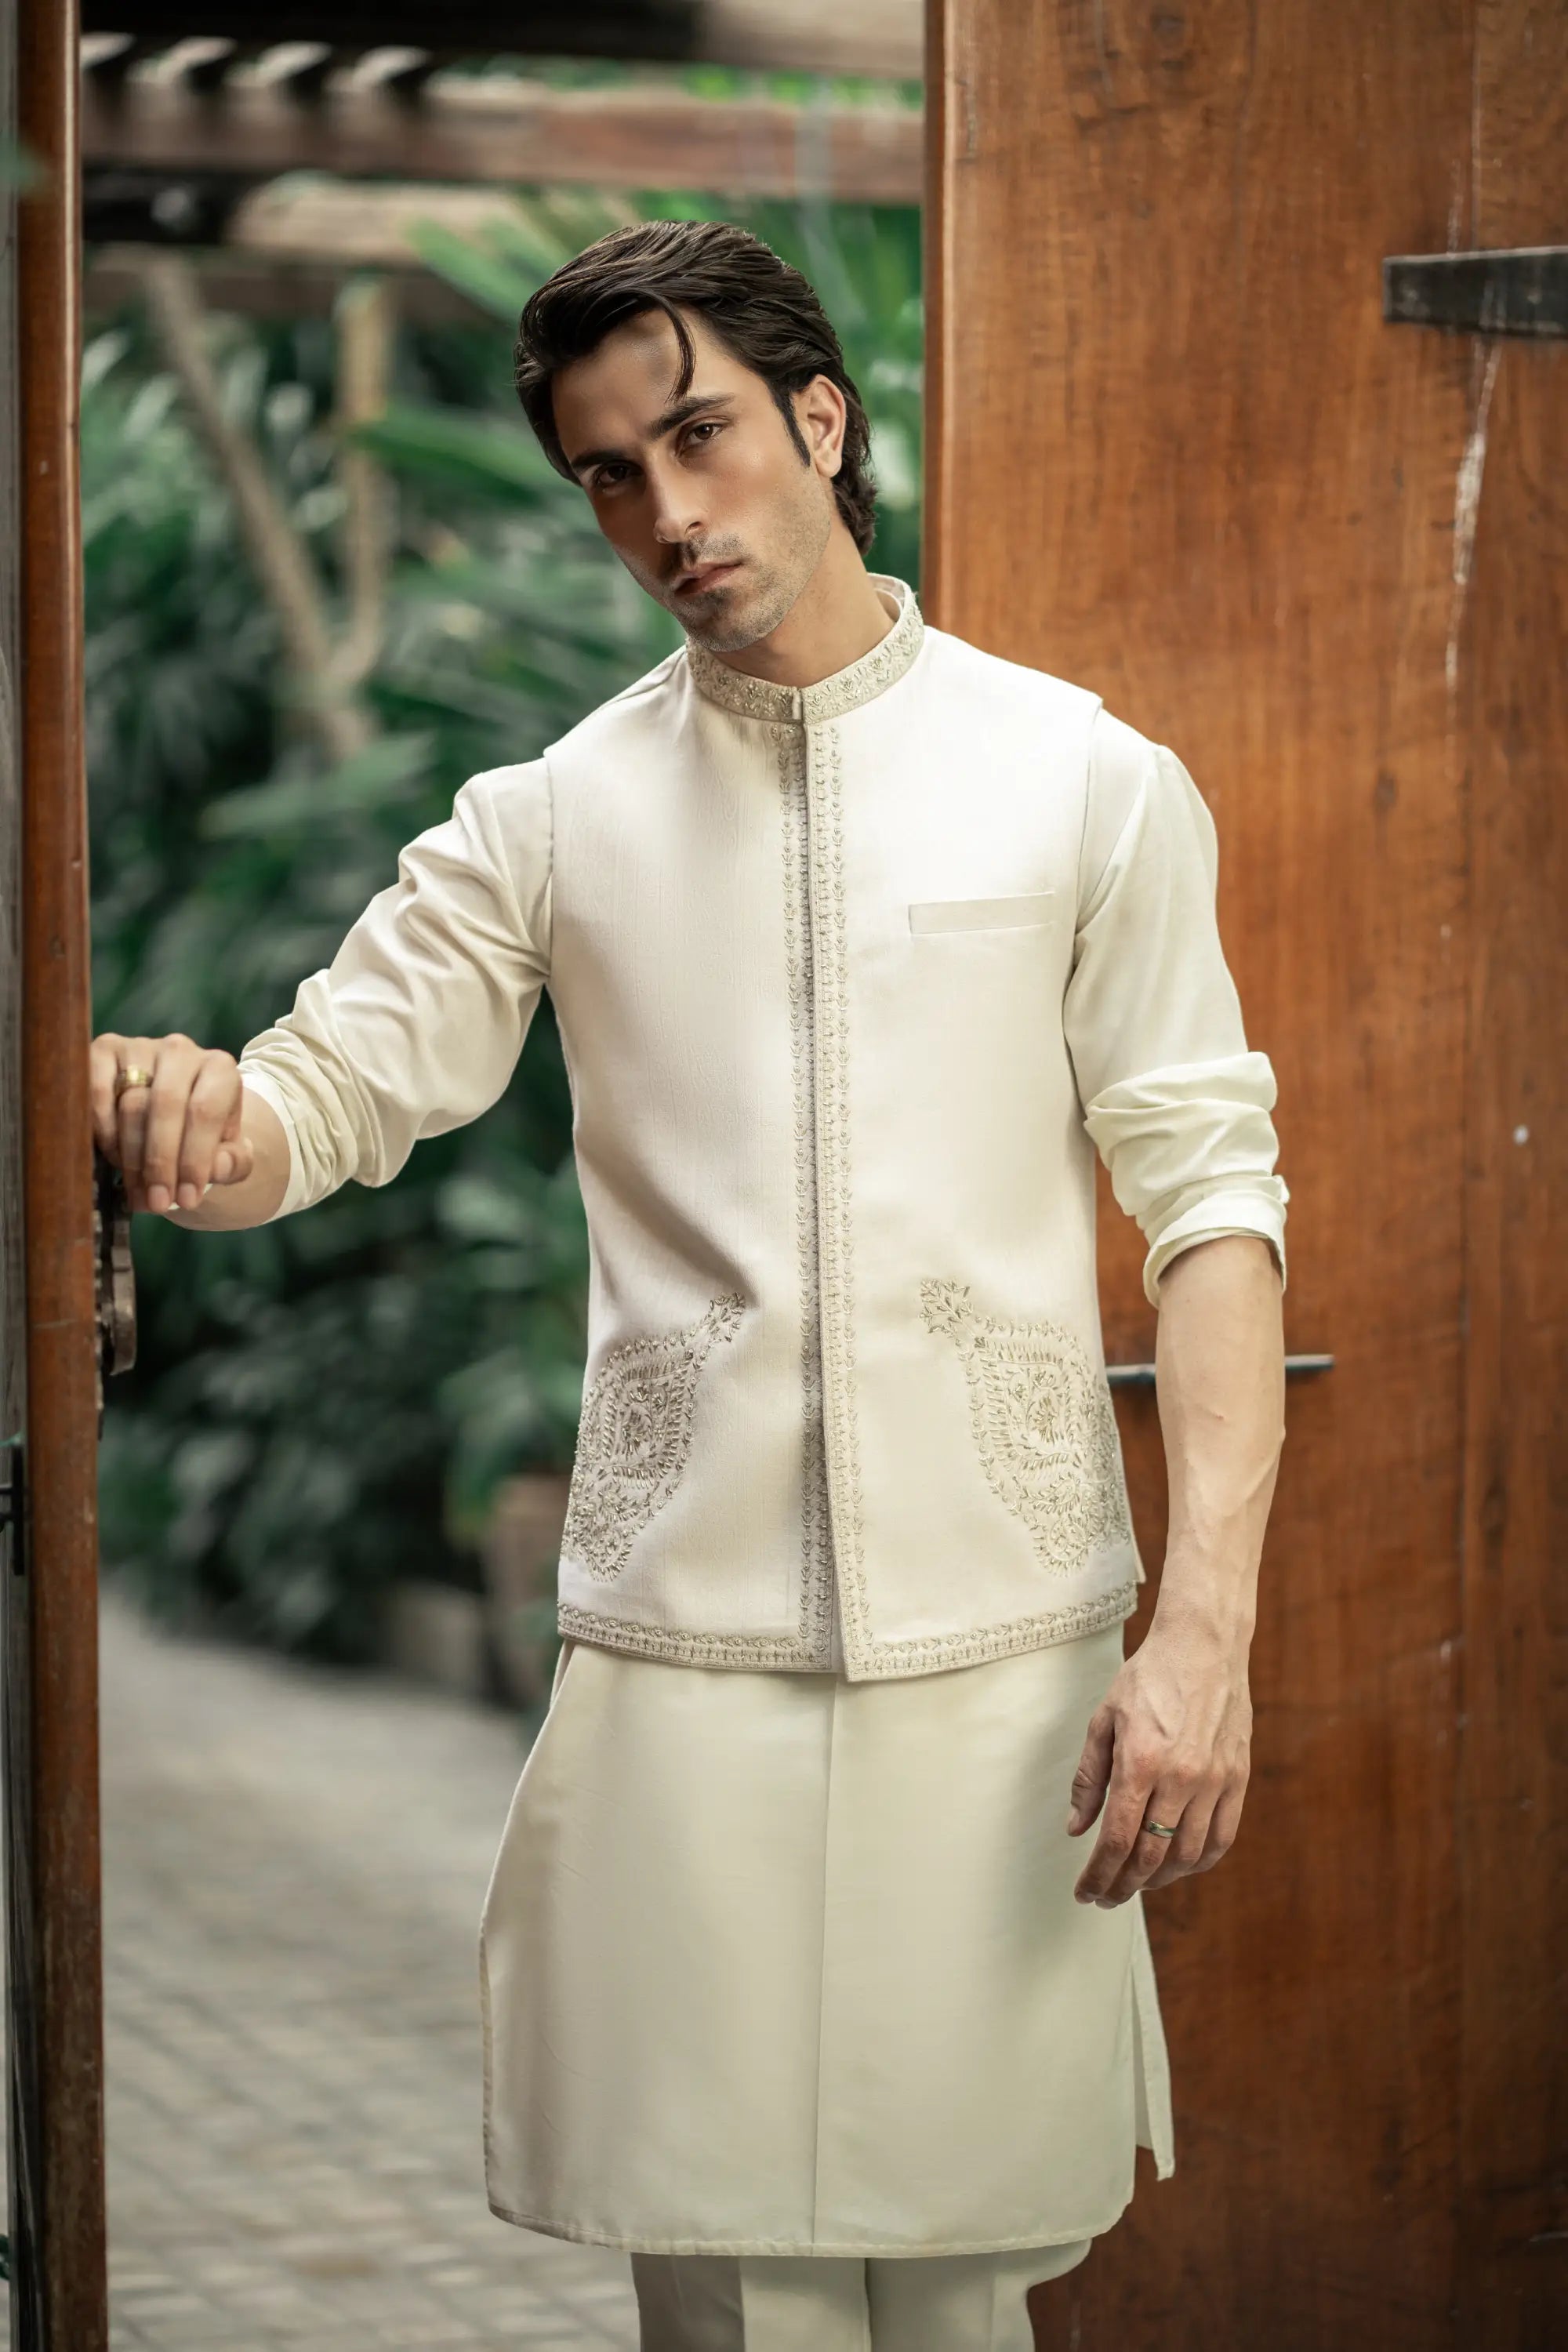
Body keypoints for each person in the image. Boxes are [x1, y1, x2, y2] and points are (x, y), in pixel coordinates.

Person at [91, 221, 1288, 2350]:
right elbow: (320, 1103)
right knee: (727, 2302)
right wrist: (172, 1100)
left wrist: (1202, 1637)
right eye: (609, 475)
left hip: (1006, 1673)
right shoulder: (551, 819)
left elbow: (1214, 1212)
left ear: (819, 420)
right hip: (685, 1674)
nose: (666, 511)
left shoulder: (1084, 779)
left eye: (700, 436)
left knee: (961, 2293)